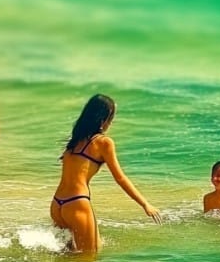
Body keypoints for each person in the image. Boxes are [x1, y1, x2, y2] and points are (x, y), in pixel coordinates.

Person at [50, 94, 161, 253]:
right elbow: (120, 178)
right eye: (112, 117)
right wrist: (145, 204)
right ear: (104, 118)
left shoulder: (75, 141)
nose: (112, 122)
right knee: (89, 259)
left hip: (57, 204)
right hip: (76, 203)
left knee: (68, 257)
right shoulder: (103, 142)